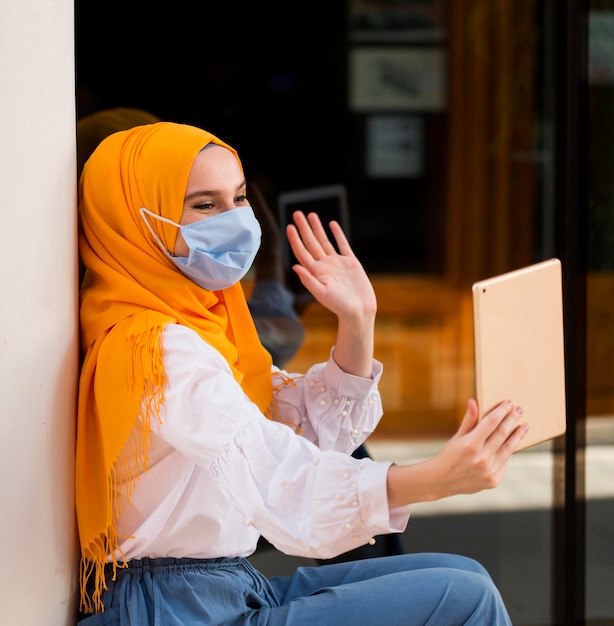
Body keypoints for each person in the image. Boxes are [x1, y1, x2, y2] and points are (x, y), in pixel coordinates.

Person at [75, 121, 528, 625]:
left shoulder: (205, 326)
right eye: (205, 205)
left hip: (226, 584)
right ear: (137, 224)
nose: (235, 219)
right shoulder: (156, 347)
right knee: (462, 600)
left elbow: (298, 433)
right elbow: (283, 483)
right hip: (173, 609)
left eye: (240, 197)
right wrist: (433, 481)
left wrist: (357, 321)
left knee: (464, 575)